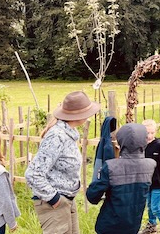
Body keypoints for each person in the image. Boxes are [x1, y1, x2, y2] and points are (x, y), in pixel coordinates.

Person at [25, 91, 100, 234]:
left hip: (67, 200)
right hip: (54, 203)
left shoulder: (68, 134)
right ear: (78, 115)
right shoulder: (56, 136)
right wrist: (55, 199)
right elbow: (33, 174)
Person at [87, 123, 156, 234]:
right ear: (145, 140)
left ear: (120, 141)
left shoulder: (111, 167)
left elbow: (92, 197)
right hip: (133, 225)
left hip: (109, 225)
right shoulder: (150, 165)